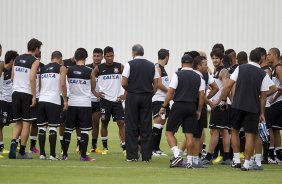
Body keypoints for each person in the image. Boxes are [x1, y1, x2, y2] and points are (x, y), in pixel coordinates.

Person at [215, 48, 270, 171]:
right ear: (261, 59)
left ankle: (235, 160)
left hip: (237, 104)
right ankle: (246, 164)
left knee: (234, 131)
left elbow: (228, 85)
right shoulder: (263, 74)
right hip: (253, 107)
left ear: (250, 57)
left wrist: (222, 100)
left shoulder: (240, 68)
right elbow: (263, 96)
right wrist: (262, 113)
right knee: (250, 135)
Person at [160, 54, 205, 168]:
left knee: (169, 132)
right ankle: (189, 162)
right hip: (191, 107)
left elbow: (170, 92)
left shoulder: (177, 75)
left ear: (181, 63)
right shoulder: (199, 77)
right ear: (192, 64)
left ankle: (177, 154)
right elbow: (201, 96)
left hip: (179, 105)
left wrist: (164, 106)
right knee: (189, 136)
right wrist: (199, 110)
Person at [122, 44, 159, 162]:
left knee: (131, 125)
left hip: (132, 96)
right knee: (146, 126)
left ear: (133, 52)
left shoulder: (129, 64)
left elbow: (123, 82)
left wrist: (130, 89)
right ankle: (146, 156)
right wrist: (150, 94)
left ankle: (132, 155)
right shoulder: (151, 65)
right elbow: (156, 83)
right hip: (147, 96)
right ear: (143, 52)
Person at [8, 38, 41, 159]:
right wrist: (33, 96)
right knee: (26, 123)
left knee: (17, 122)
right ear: (36, 48)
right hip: (26, 93)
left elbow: (12, 76)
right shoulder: (35, 60)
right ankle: (22, 151)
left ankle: (13, 142)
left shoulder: (17, 58)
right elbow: (32, 78)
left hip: (15, 92)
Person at [62, 48, 94, 161]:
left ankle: (64, 155)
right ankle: (83, 156)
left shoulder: (68, 70)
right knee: (85, 130)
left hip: (72, 103)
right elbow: (93, 87)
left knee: (68, 129)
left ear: (75, 58)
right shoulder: (90, 70)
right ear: (85, 58)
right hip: (85, 103)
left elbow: (63, 84)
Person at [93, 46, 126, 155]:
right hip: (105, 100)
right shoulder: (99, 68)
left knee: (121, 123)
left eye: (112, 56)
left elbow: (128, 77)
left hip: (117, 100)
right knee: (104, 123)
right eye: (108, 56)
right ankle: (105, 147)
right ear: (104, 56)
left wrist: (125, 94)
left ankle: (124, 147)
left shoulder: (119, 66)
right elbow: (91, 76)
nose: (110, 58)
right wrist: (95, 92)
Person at [202, 49, 232, 165]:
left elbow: (226, 87)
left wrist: (220, 101)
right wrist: (207, 98)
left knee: (215, 131)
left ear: (221, 59)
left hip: (220, 105)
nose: (214, 60)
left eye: (216, 58)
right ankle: (226, 157)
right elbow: (219, 88)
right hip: (220, 104)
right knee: (222, 131)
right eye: (213, 58)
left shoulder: (223, 71)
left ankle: (209, 157)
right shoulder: (216, 71)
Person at [37, 51, 67, 160]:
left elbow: (40, 85)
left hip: (42, 99)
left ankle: (42, 154)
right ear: (60, 58)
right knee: (53, 127)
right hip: (53, 101)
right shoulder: (61, 68)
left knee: (42, 127)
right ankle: (52, 155)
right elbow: (63, 84)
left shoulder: (43, 68)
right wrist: (65, 100)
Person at [151, 49, 170, 157]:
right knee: (157, 124)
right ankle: (152, 149)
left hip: (164, 100)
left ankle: (156, 148)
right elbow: (158, 84)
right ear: (167, 57)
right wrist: (170, 92)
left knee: (160, 125)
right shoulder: (157, 67)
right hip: (158, 100)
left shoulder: (162, 68)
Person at [0, 51, 18, 157]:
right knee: (0, 125)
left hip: (11, 102)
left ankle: (15, 144)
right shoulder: (2, 70)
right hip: (3, 101)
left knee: (15, 123)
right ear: (12, 60)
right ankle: (1, 147)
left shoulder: (12, 71)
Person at [86, 48, 104, 153]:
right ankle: (80, 145)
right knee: (83, 124)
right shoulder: (87, 68)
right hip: (87, 100)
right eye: (95, 56)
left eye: (98, 56)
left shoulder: (104, 68)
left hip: (98, 101)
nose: (96, 58)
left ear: (102, 57)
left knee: (96, 123)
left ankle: (94, 146)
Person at [267, 48, 282, 164]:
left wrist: (273, 97)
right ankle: (278, 154)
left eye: (269, 54)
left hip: (278, 102)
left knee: (269, 127)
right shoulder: (273, 68)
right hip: (276, 102)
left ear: (276, 55)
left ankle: (271, 154)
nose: (267, 56)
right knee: (275, 129)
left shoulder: (278, 68)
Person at [29, 51, 44, 154]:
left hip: (39, 97)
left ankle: (32, 146)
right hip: (28, 95)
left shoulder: (43, 67)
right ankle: (20, 143)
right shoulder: (29, 65)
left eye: (39, 56)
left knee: (35, 123)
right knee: (24, 122)